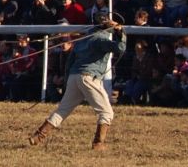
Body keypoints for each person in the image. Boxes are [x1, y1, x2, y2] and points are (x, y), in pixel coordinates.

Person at [29, 13, 126, 150]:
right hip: (88, 77)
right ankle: (98, 143)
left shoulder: (84, 38)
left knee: (62, 110)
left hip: (75, 76)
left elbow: (70, 62)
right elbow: (120, 48)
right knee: (107, 112)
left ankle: (38, 136)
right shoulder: (100, 39)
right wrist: (120, 32)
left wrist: (67, 79)